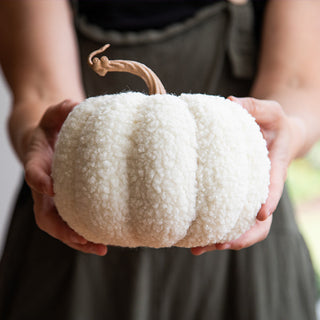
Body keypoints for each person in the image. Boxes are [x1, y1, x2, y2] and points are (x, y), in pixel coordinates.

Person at [0, 0, 319, 319]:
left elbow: (299, 85)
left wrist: (288, 129)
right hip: (76, 227)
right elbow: (39, 89)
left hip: (239, 227)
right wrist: (38, 137)